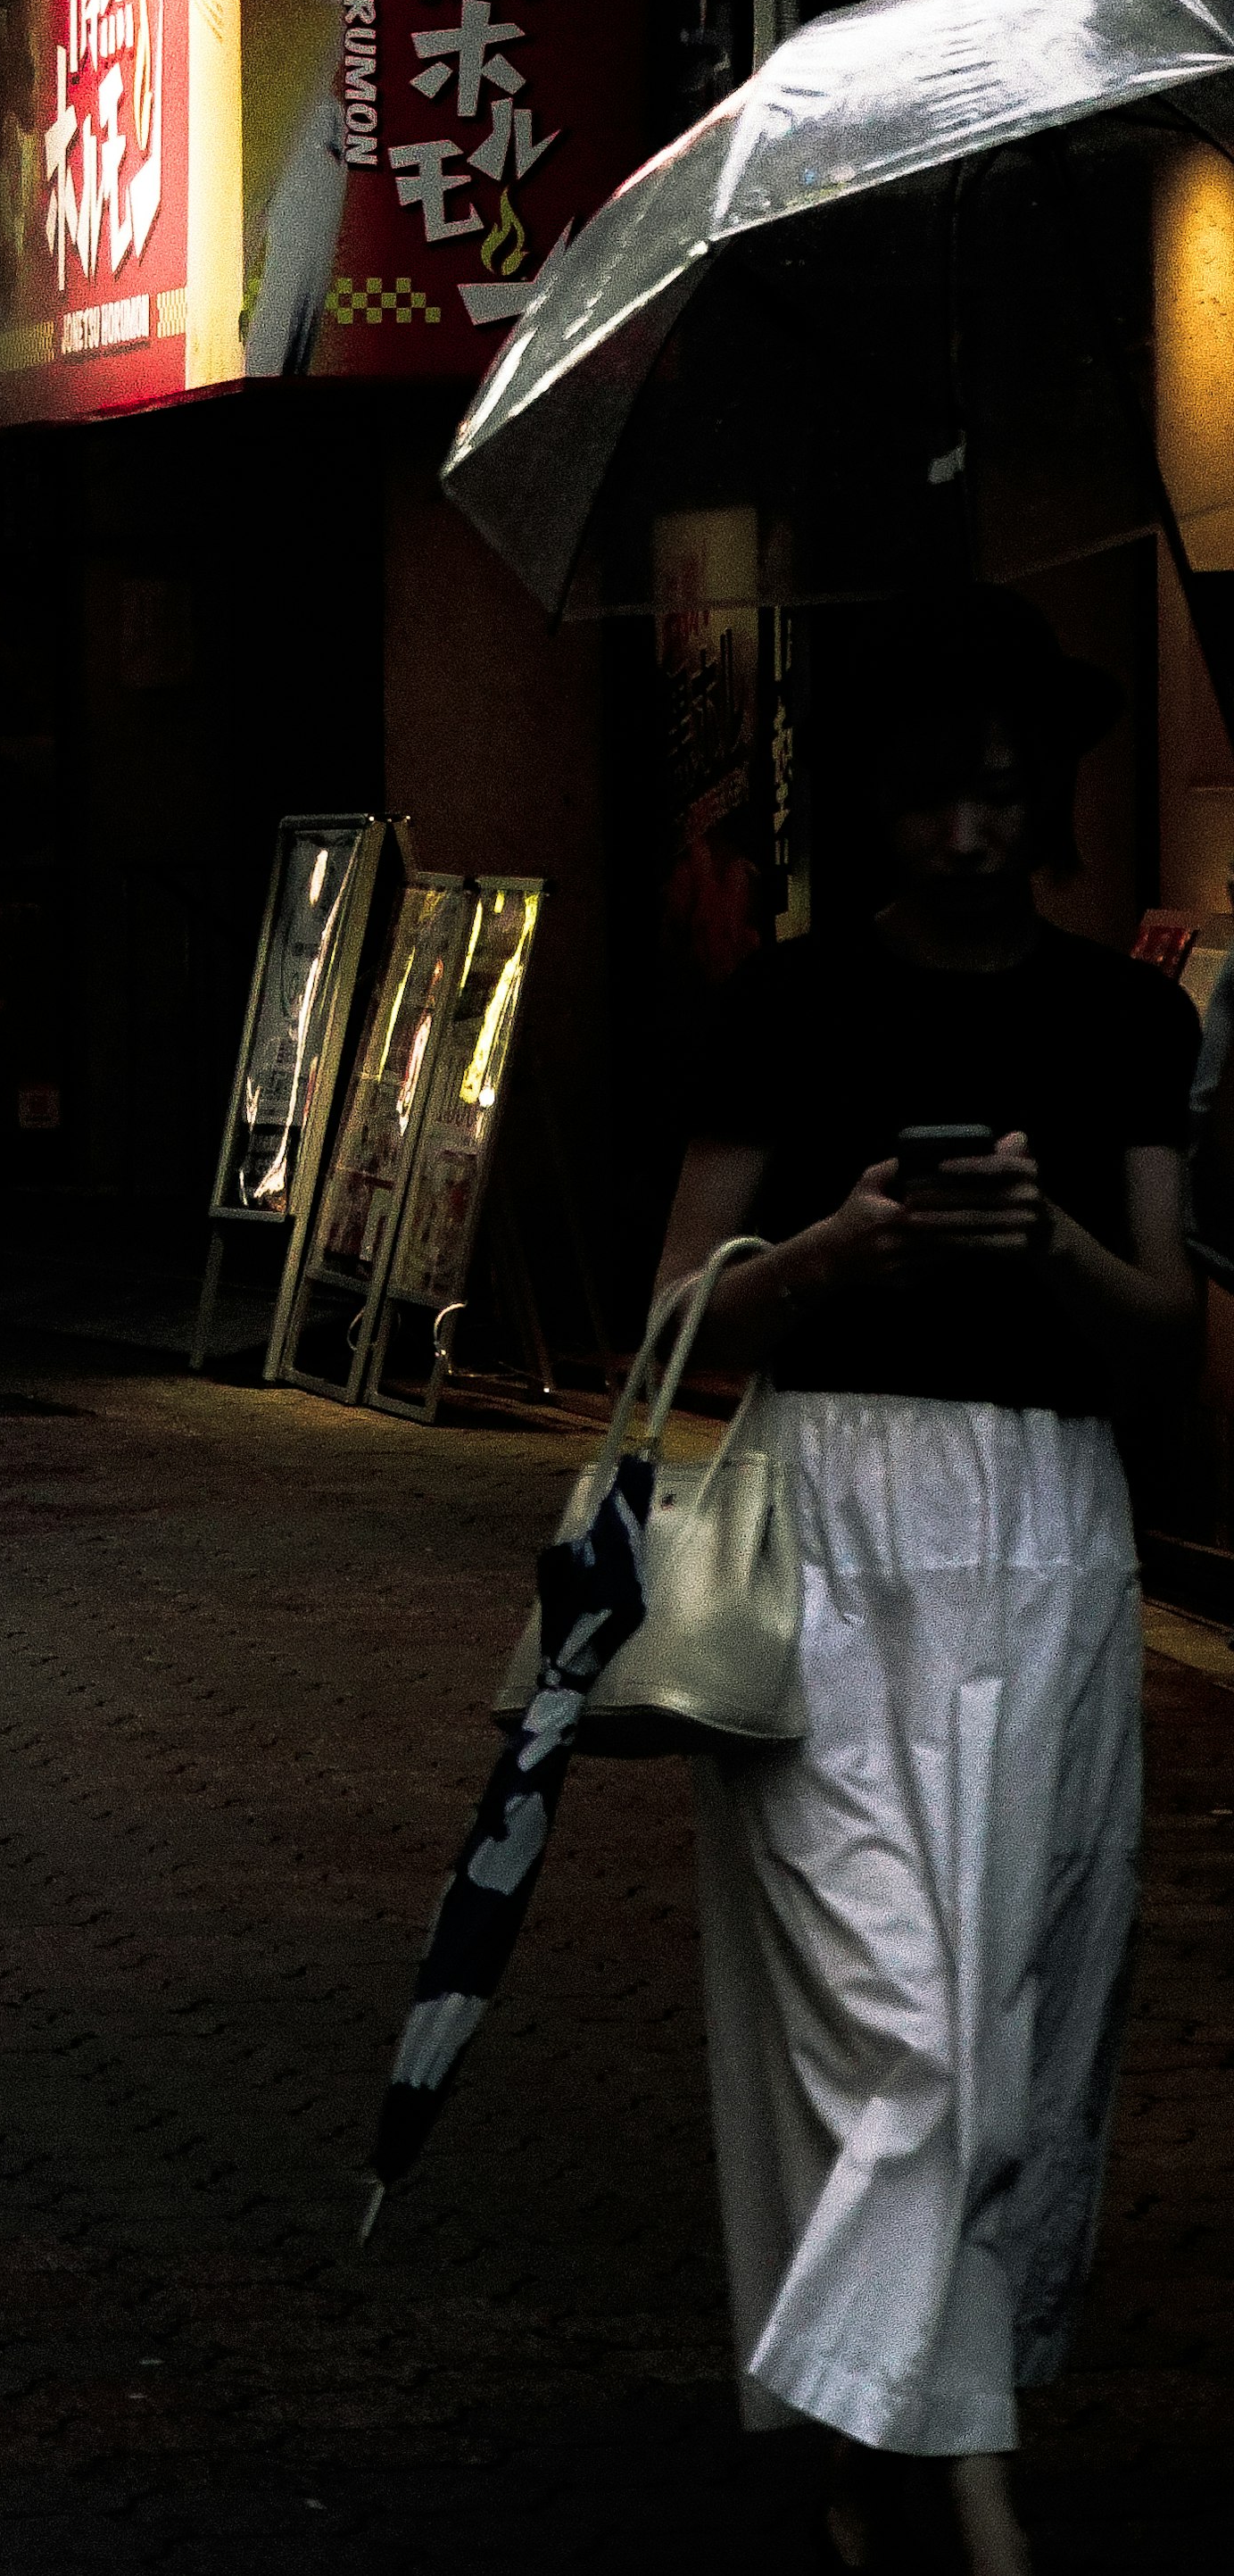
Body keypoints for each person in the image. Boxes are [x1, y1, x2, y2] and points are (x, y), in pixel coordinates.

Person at [650, 591, 1198, 2576]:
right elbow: (677, 1312)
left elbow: (1162, 1341)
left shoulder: (1126, 1018)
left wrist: (1042, 1240)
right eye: (925, 801)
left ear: (1042, 802)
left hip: (1051, 1534)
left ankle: (878, 2447)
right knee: (897, 2019)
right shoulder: (791, 1006)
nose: (966, 835)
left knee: (1018, 2014)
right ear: (872, 814)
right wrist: (831, 1253)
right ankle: (964, 2480)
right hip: (833, 1528)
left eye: (998, 796)